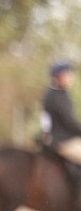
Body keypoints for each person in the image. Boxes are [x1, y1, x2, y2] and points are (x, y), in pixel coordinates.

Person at [41, 60, 81, 203]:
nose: (71, 78)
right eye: (67, 75)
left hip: (59, 137)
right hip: (63, 140)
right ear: (58, 77)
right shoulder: (58, 96)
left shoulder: (53, 94)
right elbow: (68, 122)